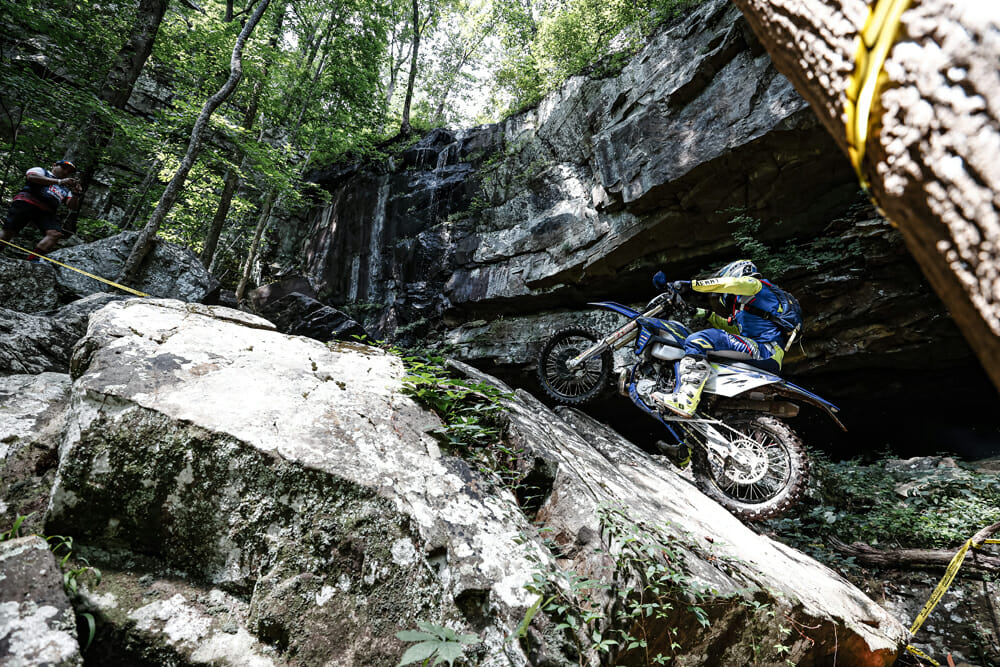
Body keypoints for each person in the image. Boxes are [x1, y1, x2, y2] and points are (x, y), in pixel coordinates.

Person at [650, 259, 802, 418]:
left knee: (697, 340)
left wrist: (690, 285)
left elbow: (731, 284)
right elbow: (735, 330)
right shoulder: (752, 305)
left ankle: (686, 400)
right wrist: (703, 313)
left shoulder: (755, 285)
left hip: (763, 350)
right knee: (712, 349)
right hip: (767, 356)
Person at [1, 160, 81, 261]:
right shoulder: (42, 171)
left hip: (47, 211)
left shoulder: (66, 189)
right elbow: (31, 177)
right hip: (27, 202)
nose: (66, 172)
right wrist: (59, 181)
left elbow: (72, 206)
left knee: (55, 234)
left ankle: (32, 261)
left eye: (69, 172)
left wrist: (76, 193)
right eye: (64, 168)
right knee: (8, 231)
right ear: (54, 165)